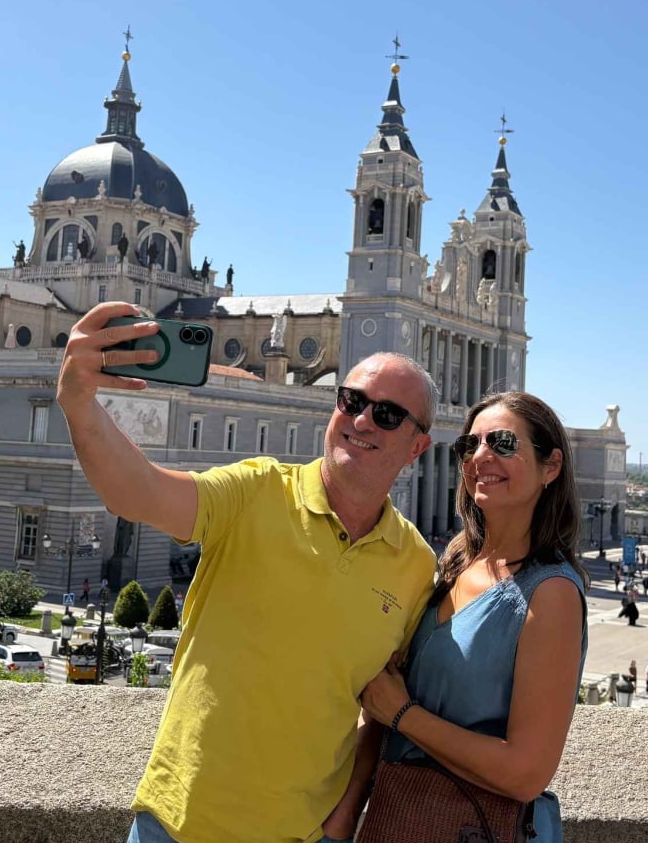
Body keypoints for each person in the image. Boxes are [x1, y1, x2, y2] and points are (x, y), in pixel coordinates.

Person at [55, 302, 439, 843]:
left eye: (388, 415)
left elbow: (380, 707)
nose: (360, 420)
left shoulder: (416, 566)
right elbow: (137, 491)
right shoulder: (256, 490)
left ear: (418, 446)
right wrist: (79, 403)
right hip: (178, 824)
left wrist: (344, 819)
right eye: (351, 401)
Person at [359, 390, 588, 843]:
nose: (480, 457)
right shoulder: (458, 560)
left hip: (471, 826)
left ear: (551, 466)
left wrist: (402, 714)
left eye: (502, 443)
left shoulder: (552, 593)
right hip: (399, 812)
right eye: (470, 445)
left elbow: (526, 774)